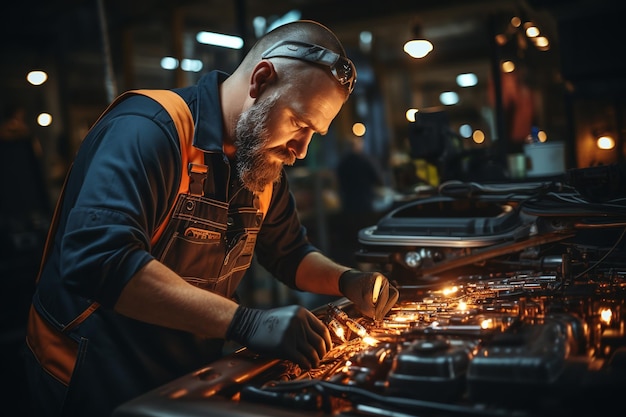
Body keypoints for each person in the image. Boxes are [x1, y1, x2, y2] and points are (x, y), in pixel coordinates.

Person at [23, 20, 398, 417]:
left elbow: (289, 253)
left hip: (183, 376)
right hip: (91, 377)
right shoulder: (149, 131)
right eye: (300, 123)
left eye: (314, 134)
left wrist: (347, 280)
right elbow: (100, 259)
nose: (301, 149)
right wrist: (247, 322)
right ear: (261, 80)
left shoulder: (261, 162)